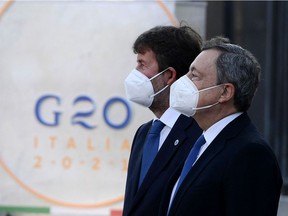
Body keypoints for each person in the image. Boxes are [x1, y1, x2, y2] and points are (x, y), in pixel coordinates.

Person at [159, 36, 283, 216]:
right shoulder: (201, 142)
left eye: (194, 76)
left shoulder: (250, 153)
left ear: (225, 92)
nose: (182, 82)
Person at [123, 25, 203, 216]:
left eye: (143, 64)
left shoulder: (198, 135)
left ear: (169, 76)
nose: (135, 72)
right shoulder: (144, 133)